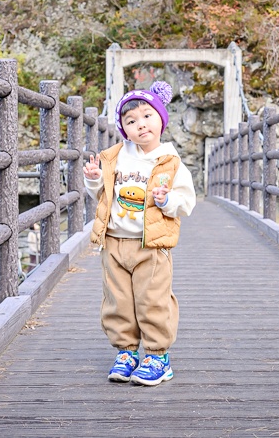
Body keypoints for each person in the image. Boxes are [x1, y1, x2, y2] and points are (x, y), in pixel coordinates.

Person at [84, 81, 196, 386]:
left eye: (147, 116)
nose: (140, 125)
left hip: (152, 246)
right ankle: (127, 352)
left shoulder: (171, 163)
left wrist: (166, 200)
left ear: (161, 118)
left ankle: (158, 356)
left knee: (152, 299)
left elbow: (186, 203)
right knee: (117, 300)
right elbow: (103, 194)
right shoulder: (116, 157)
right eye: (130, 121)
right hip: (114, 241)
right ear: (123, 128)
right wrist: (94, 179)